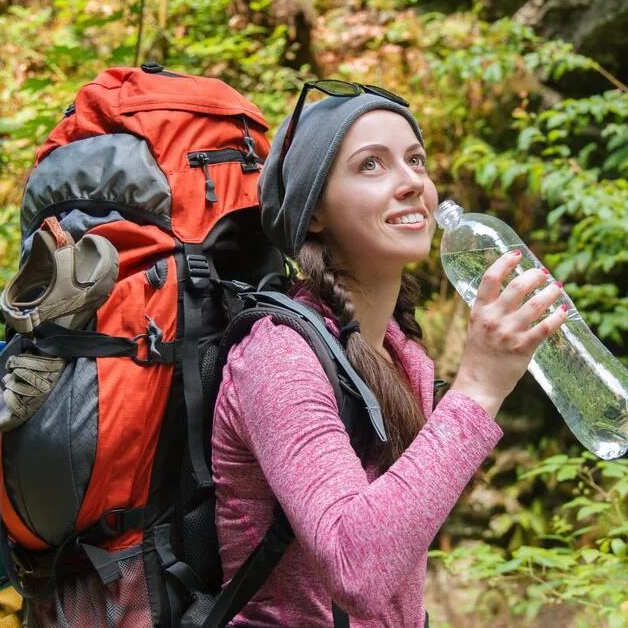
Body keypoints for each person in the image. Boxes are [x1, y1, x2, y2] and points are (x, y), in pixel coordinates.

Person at [211, 80, 567, 627]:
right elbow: (358, 570)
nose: (411, 184)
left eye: (416, 161)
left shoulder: (403, 355)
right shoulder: (278, 356)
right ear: (314, 213)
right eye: (371, 166)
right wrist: (479, 386)